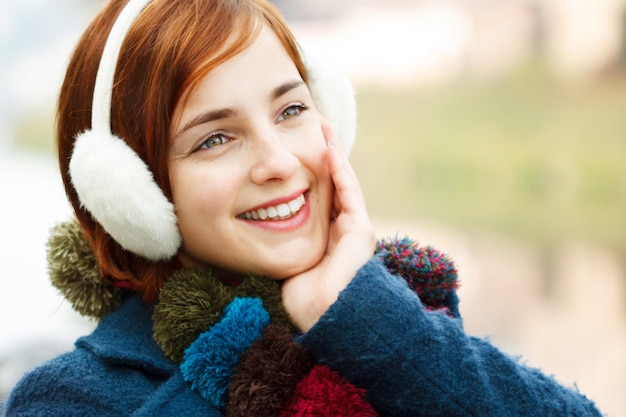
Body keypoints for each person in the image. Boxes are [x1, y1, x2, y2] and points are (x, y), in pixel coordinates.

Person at [4, 0, 603, 415]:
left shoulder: (398, 323)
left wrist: (358, 313)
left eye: (291, 110)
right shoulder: (70, 402)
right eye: (215, 138)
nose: (280, 162)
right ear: (133, 196)